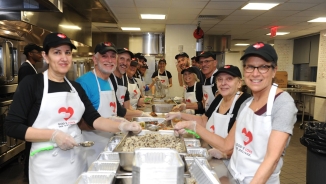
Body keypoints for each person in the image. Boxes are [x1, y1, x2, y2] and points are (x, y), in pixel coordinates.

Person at [4, 33, 141, 184]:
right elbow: (12, 127)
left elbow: (94, 119)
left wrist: (123, 125)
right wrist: (53, 135)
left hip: (76, 163)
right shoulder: (32, 84)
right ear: (46, 56)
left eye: (67, 52)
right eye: (57, 52)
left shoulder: (75, 87)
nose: (64, 57)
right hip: (47, 169)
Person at [173, 42, 297, 183]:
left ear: (274, 70)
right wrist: (193, 125)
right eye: (250, 67)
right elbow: (227, 145)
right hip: (234, 175)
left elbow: (272, 159)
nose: (255, 73)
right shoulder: (247, 103)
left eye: (263, 67)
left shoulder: (282, 103)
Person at [168, 65, 250, 153]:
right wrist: (180, 115)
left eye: (229, 79)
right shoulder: (219, 99)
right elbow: (204, 121)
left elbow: (231, 146)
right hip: (211, 150)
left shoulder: (245, 103)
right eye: (220, 79)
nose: (223, 83)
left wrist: (194, 127)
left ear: (239, 83)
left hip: (230, 160)